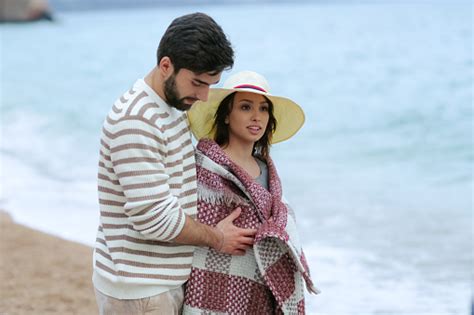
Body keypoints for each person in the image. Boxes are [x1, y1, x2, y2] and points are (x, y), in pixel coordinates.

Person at [92, 13, 257, 315]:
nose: (204, 95)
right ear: (166, 65)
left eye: (211, 84)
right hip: (140, 291)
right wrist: (217, 238)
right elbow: (156, 219)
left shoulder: (171, 106)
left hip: (153, 282)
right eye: (197, 83)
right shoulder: (136, 120)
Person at [183, 70, 320, 314]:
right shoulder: (203, 166)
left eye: (263, 109)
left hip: (262, 289)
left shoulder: (267, 169)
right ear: (226, 115)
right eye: (245, 107)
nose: (256, 116)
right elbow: (186, 223)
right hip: (217, 285)